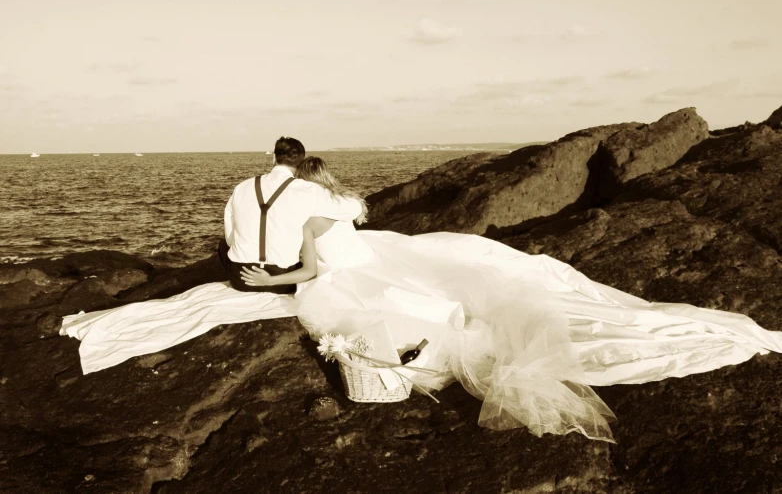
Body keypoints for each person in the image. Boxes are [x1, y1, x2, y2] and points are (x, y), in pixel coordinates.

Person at [239, 156, 782, 443]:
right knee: (451, 279)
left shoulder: (308, 215)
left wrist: (267, 281)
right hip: (375, 253)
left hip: (346, 274)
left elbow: (309, 269)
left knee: (387, 304)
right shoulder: (340, 205)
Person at [219, 137, 364, 294]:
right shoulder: (308, 190)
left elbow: (230, 237)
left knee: (222, 245)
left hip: (242, 279)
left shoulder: (242, 187)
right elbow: (354, 208)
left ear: (274, 158)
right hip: (283, 281)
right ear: (300, 162)